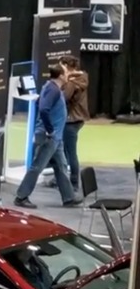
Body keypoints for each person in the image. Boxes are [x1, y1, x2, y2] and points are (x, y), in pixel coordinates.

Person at [14, 65, 81, 208]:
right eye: (66, 72)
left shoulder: (51, 88)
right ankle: (21, 196)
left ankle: (68, 197)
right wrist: (49, 130)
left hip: (55, 137)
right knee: (37, 166)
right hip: (49, 137)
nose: (69, 74)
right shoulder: (53, 90)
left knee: (62, 166)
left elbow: (41, 104)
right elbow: (44, 109)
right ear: (61, 76)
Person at [59, 55, 89, 191]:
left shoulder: (72, 82)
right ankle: (61, 178)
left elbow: (63, 98)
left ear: (67, 67)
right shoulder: (82, 77)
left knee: (70, 153)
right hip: (77, 119)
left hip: (71, 120)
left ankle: (74, 183)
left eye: (61, 66)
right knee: (65, 151)